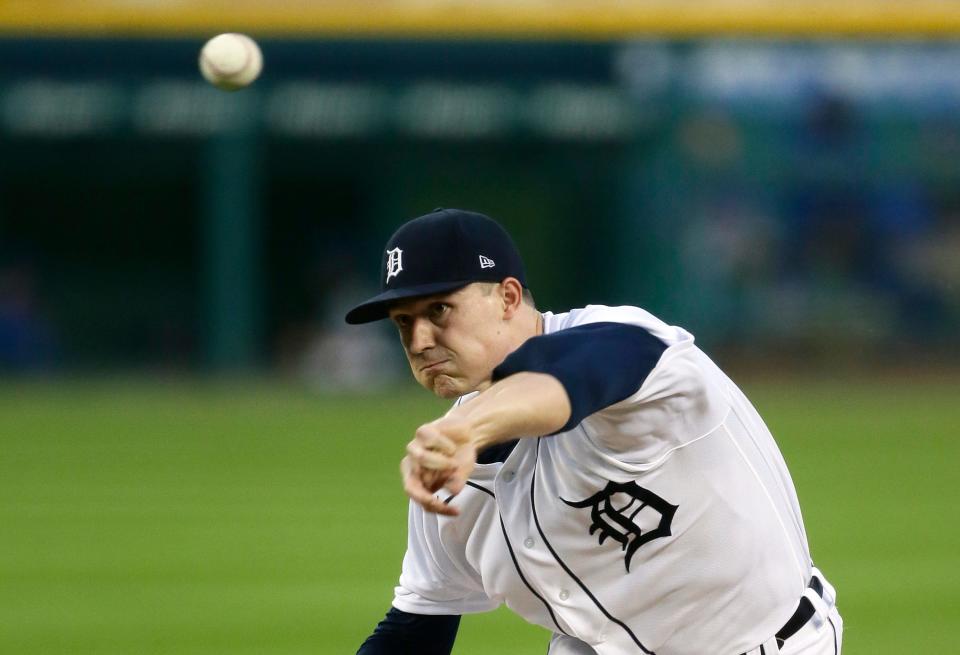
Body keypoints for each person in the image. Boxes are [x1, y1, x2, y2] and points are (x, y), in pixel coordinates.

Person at [345, 208, 842, 655]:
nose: (419, 340)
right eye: (403, 322)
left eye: (438, 311)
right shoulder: (450, 461)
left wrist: (467, 430)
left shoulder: (632, 346)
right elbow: (416, 629)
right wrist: (462, 434)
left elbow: (578, 374)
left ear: (508, 297)